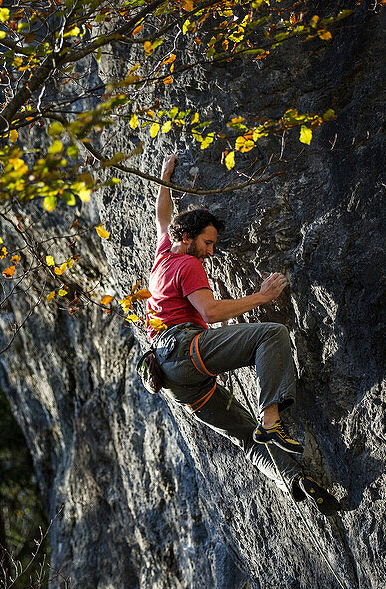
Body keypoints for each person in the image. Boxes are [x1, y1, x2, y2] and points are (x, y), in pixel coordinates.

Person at [146, 154, 342, 515]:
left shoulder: (164, 255)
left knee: (247, 439)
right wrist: (262, 297)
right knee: (271, 336)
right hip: (185, 349)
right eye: (208, 242)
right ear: (188, 237)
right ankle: (272, 420)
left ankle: (295, 480)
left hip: (171, 377)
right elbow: (211, 312)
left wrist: (164, 178)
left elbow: (162, 217)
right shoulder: (189, 264)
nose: (210, 251)